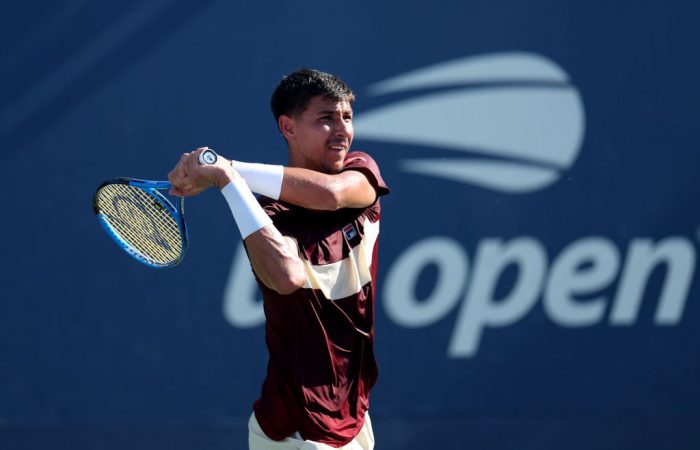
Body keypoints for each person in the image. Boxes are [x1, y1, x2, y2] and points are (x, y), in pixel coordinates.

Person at [167, 68, 389, 449]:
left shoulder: (359, 172)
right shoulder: (264, 214)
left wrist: (228, 170)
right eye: (325, 119)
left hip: (353, 419)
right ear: (288, 127)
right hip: (296, 430)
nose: (342, 131)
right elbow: (286, 276)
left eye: (347, 118)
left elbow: (331, 196)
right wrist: (229, 185)